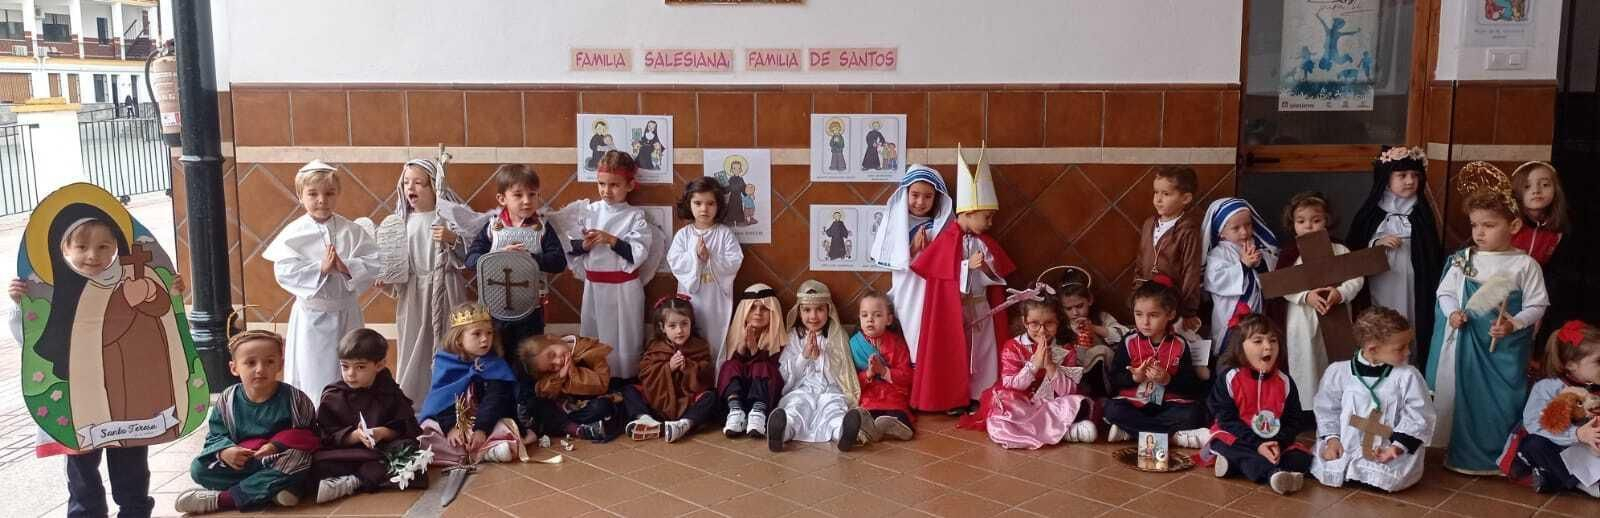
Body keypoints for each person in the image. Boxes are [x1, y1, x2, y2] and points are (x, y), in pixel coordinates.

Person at [1427, 189, 1549, 475]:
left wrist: (1513, 324)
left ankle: (1501, 457)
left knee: (1502, 400)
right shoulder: (1464, 259)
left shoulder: (1524, 265)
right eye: (1474, 225)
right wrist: (1452, 314)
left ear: (1514, 226)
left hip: (1504, 347)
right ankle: (1463, 455)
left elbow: (1537, 304)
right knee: (1465, 396)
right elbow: (1444, 292)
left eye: (1489, 225)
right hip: (1467, 344)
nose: (1479, 233)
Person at [262, 160, 380, 400]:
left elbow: (373, 262)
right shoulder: (294, 233)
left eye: (329, 193)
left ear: (338, 195)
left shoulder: (351, 231)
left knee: (351, 368)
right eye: (313, 194)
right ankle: (315, 417)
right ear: (300, 196)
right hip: (312, 319)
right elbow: (284, 270)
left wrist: (347, 267)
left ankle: (350, 418)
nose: (321, 200)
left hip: (347, 313)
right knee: (314, 374)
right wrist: (321, 269)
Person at [911, 146, 1015, 414]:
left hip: (980, 305)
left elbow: (998, 274)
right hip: (955, 310)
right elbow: (941, 275)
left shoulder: (985, 242)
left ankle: (982, 393)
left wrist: (985, 267)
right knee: (956, 352)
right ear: (968, 213)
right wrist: (968, 266)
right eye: (987, 216)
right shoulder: (946, 239)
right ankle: (955, 397)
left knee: (983, 352)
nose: (990, 222)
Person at [465, 164, 569, 423]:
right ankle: (494, 409)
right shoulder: (493, 228)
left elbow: (558, 261)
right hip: (496, 310)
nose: (526, 201)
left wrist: (532, 258)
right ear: (502, 198)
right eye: (518, 195)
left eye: (532, 195)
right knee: (496, 356)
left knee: (528, 359)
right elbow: (471, 259)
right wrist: (496, 256)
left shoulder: (542, 229)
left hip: (530, 307)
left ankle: (527, 410)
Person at [381, 158, 487, 411]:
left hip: (446, 288)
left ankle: (454, 401)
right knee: (414, 345)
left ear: (433, 187)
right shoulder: (402, 222)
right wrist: (387, 278)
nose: (411, 188)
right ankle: (414, 400)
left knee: (449, 342)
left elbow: (469, 255)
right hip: (414, 294)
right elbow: (395, 264)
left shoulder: (447, 218)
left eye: (419, 182)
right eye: (406, 182)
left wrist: (452, 238)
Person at [176, 331, 319, 514]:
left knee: (301, 459)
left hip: (278, 460)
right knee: (199, 468)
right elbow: (216, 435)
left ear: (280, 365)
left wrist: (275, 446)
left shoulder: (295, 399)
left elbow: (309, 435)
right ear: (234, 368)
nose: (260, 369)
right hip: (243, 463)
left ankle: (223, 500)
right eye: (251, 363)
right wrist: (225, 452)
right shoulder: (228, 400)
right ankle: (272, 489)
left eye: (269, 362)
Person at [1312, 307, 1436, 493]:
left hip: (1389, 447)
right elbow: (1327, 409)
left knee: (1393, 475)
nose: (1408, 352)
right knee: (1328, 463)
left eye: (1408, 345)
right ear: (1373, 349)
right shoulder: (1338, 372)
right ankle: (1347, 462)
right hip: (1346, 443)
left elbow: (1418, 414)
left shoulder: (1407, 375)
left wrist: (1397, 447)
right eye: (1400, 348)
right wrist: (1332, 440)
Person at [1347, 146, 1443, 367]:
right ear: (1386, 179)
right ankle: (1378, 359)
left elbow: (1430, 252)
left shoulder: (1421, 213)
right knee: (1381, 317)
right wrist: (1376, 243)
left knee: (1412, 317)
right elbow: (1354, 248)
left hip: (1414, 283)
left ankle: (1410, 361)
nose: (1410, 181)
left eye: (1415, 175)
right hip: (1382, 281)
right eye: (1402, 175)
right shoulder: (1372, 213)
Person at [571, 150, 661, 382]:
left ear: (630, 185)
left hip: (624, 290)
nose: (606, 191)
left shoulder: (635, 216)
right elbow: (569, 246)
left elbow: (638, 252)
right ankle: (595, 383)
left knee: (625, 339)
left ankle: (625, 382)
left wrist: (611, 240)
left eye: (614, 185)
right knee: (594, 335)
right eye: (601, 184)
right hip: (594, 288)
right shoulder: (588, 211)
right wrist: (584, 245)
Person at [964, 295, 1097, 449]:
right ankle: (1065, 432)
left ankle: (1057, 430)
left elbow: (1068, 391)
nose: (1042, 331)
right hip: (1021, 403)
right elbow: (1010, 383)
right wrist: (1034, 365)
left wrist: (1050, 366)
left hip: (1051, 402)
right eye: (1034, 324)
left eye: (1049, 324)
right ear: (1024, 322)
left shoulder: (1067, 349)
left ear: (1058, 322)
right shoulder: (1013, 346)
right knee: (1001, 407)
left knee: (1079, 402)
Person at [310, 329, 426, 504]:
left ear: (379, 365)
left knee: (413, 458)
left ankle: (353, 482)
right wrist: (354, 436)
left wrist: (382, 432)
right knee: (316, 464)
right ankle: (364, 479)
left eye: (360, 367)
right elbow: (326, 435)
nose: (350, 374)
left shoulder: (389, 390)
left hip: (381, 452)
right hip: (347, 453)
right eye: (345, 366)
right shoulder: (334, 394)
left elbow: (406, 428)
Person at [1204, 314, 1313, 495]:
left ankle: (1233, 465)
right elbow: (1226, 420)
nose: (1268, 346)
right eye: (1258, 341)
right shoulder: (1230, 378)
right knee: (1229, 447)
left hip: (1274, 440)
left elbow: (1294, 420)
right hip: (1239, 437)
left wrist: (1277, 442)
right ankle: (1273, 475)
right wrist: (1257, 445)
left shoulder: (1285, 381)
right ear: (1241, 347)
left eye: (1273, 340)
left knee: (1301, 459)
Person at [1277, 192, 1363, 409]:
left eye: (1316, 220)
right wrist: (1306, 295)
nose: (1309, 226)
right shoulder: (1290, 255)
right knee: (1306, 362)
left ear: (1327, 221)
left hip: (1337, 315)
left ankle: (1337, 406)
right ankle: (1306, 408)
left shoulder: (1340, 250)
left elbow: (1357, 277)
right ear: (1292, 224)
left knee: (1334, 361)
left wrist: (1341, 293)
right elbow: (1281, 284)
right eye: (1302, 221)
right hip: (1303, 319)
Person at [1104, 279, 1211, 448]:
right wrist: (1134, 378)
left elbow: (1191, 385)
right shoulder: (1129, 341)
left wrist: (1168, 379)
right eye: (1138, 314)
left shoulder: (1180, 344)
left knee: (1194, 414)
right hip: (1135, 402)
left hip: (1169, 404)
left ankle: (1131, 432)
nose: (1145, 322)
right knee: (1111, 409)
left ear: (1170, 314)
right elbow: (1114, 378)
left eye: (1153, 315)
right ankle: (1174, 437)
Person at [418, 303, 525, 466]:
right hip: (453, 422)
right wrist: (451, 428)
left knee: (505, 428)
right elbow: (441, 399)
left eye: (489, 333)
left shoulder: (494, 363)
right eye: (477, 334)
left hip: (486, 422)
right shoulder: (447, 363)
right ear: (459, 339)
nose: (485, 339)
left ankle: (486, 450)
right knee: (427, 431)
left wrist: (481, 429)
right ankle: (474, 452)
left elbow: (495, 400)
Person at [767, 280, 868, 452]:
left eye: (819, 309)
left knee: (833, 410)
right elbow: (784, 375)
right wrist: (804, 356)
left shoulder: (837, 336)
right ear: (799, 312)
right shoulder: (793, 336)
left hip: (830, 390)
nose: (813, 316)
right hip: (802, 389)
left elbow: (842, 373)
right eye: (807, 310)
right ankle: (782, 432)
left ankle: (842, 433)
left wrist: (822, 357)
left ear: (828, 310)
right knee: (797, 408)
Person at [1501, 321, 1600, 496]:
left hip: (1587, 449)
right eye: (1598, 361)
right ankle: (1580, 484)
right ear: (1571, 364)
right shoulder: (1547, 388)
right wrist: (1577, 435)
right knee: (1534, 444)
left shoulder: (1594, 387)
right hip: (1556, 446)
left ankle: (1551, 479)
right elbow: (1535, 424)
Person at [868, 165, 953, 361]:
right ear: (905, 193)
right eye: (915, 195)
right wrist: (913, 248)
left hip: (931, 291)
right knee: (908, 336)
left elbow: (949, 261)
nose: (920, 202)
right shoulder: (897, 224)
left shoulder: (941, 227)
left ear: (936, 197)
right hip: (906, 291)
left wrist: (932, 250)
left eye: (927, 196)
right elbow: (891, 260)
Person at [1134, 166, 1206, 374]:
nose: (1158, 199)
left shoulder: (1187, 229)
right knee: (1150, 339)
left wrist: (1188, 310)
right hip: (1149, 298)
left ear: (1185, 198)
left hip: (1174, 302)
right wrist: (1136, 291)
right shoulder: (1149, 224)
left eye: (1166, 194)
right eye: (1156, 192)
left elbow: (1191, 270)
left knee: (1176, 344)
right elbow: (1140, 262)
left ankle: (1176, 382)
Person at [620, 296, 718, 443]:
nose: (679, 331)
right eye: (672, 326)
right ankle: (645, 419)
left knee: (711, 397)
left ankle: (684, 424)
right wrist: (668, 368)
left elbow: (707, 375)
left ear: (692, 323)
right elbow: (645, 373)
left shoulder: (699, 346)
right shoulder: (655, 347)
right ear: (662, 327)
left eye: (684, 324)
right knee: (629, 390)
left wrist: (690, 367)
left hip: (687, 401)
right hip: (658, 402)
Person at [667, 178, 743, 360]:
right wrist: (695, 257)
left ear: (718, 206)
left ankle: (716, 378)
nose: (704, 209)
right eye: (698, 203)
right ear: (689, 204)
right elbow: (674, 260)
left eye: (710, 203)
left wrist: (711, 258)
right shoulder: (684, 235)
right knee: (690, 332)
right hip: (691, 297)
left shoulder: (724, 234)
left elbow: (734, 260)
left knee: (716, 335)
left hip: (716, 299)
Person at [1203, 197, 1279, 363]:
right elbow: (1214, 279)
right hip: (1229, 314)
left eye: (1248, 225)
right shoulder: (1218, 254)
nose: (1244, 232)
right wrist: (1243, 266)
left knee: (1254, 348)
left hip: (1256, 311)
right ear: (1221, 231)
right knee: (1230, 353)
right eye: (1236, 228)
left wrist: (1260, 264)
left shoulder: (1257, 248)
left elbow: (1272, 272)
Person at [522, 334, 620, 442]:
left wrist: (572, 372)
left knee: (602, 406)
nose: (558, 362)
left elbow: (602, 385)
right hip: (565, 409)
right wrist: (560, 377)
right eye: (552, 367)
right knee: (536, 404)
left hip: (587, 405)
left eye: (553, 354)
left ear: (552, 339)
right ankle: (579, 429)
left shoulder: (590, 349)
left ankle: (567, 427)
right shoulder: (552, 372)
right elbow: (543, 390)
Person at [719, 284, 786, 438]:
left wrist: (756, 351)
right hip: (739, 394)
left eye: (764, 309)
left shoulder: (779, 338)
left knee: (763, 367)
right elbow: (734, 368)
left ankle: (758, 413)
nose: (757, 313)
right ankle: (735, 411)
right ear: (744, 312)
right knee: (729, 365)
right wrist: (742, 347)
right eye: (752, 308)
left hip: (763, 396)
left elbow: (776, 368)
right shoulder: (735, 335)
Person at [850, 292, 916, 442]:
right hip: (869, 393)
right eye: (864, 315)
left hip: (893, 392)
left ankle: (891, 427)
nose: (870, 320)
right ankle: (872, 429)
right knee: (865, 413)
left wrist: (884, 371)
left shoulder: (898, 343)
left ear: (889, 319)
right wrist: (868, 373)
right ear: (859, 318)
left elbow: (907, 375)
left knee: (897, 412)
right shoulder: (853, 345)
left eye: (877, 315)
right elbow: (849, 379)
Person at [1054, 267, 1124, 400]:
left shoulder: (1101, 318)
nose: (1075, 313)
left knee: (1100, 350)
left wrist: (1094, 329)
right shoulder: (1062, 328)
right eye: (1069, 308)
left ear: (1090, 300)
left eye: (1080, 306)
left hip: (1108, 377)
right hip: (1077, 378)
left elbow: (1124, 336)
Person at [1508, 161, 1566, 265]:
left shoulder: (1559, 233)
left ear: (1556, 190)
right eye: (1527, 186)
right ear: (1515, 192)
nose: (1536, 190)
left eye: (1545, 185)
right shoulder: (1507, 224)